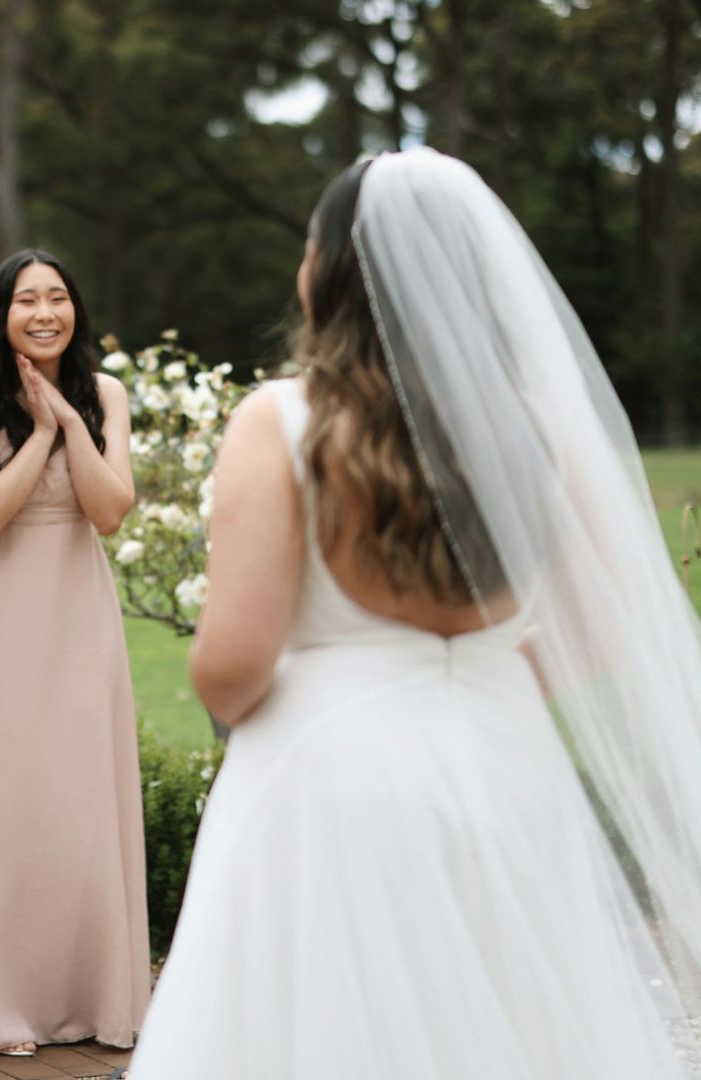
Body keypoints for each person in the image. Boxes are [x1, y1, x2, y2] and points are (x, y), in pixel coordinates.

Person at [130, 148, 701, 1077]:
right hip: (510, 769)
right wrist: (479, 677)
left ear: (334, 271)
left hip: (329, 788)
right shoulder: (539, 427)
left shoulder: (282, 421)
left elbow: (230, 668)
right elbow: (603, 629)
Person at [0, 249, 148, 1055]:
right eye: (26, 300)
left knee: (76, 794)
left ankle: (83, 996)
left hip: (76, 610)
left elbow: (110, 511)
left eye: (57, 299)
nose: (44, 313)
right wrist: (40, 432)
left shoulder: (106, 394)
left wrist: (74, 420)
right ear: (0, 313)